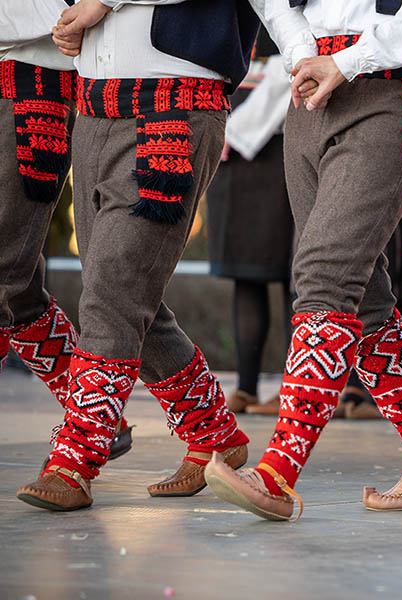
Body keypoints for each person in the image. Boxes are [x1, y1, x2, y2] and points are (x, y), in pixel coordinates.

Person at [202, 0, 402, 519]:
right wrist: (303, 51)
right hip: (306, 91)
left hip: (391, 84)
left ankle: (278, 471)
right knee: (362, 294)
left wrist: (346, 62)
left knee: (325, 277)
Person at [15, 0, 255, 511]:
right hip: (94, 105)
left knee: (114, 296)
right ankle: (213, 431)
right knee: (119, 290)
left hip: (174, 102)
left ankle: (76, 459)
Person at [0, 2, 135, 468]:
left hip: (31, 79)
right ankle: (101, 417)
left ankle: (204, 426)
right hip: (20, 72)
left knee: (3, 276)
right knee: (15, 291)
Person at [206, 30, 295, 416]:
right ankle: (245, 386)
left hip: (275, 150)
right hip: (230, 157)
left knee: (295, 278)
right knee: (246, 273)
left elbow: (287, 73)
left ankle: (293, 389)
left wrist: (234, 131)